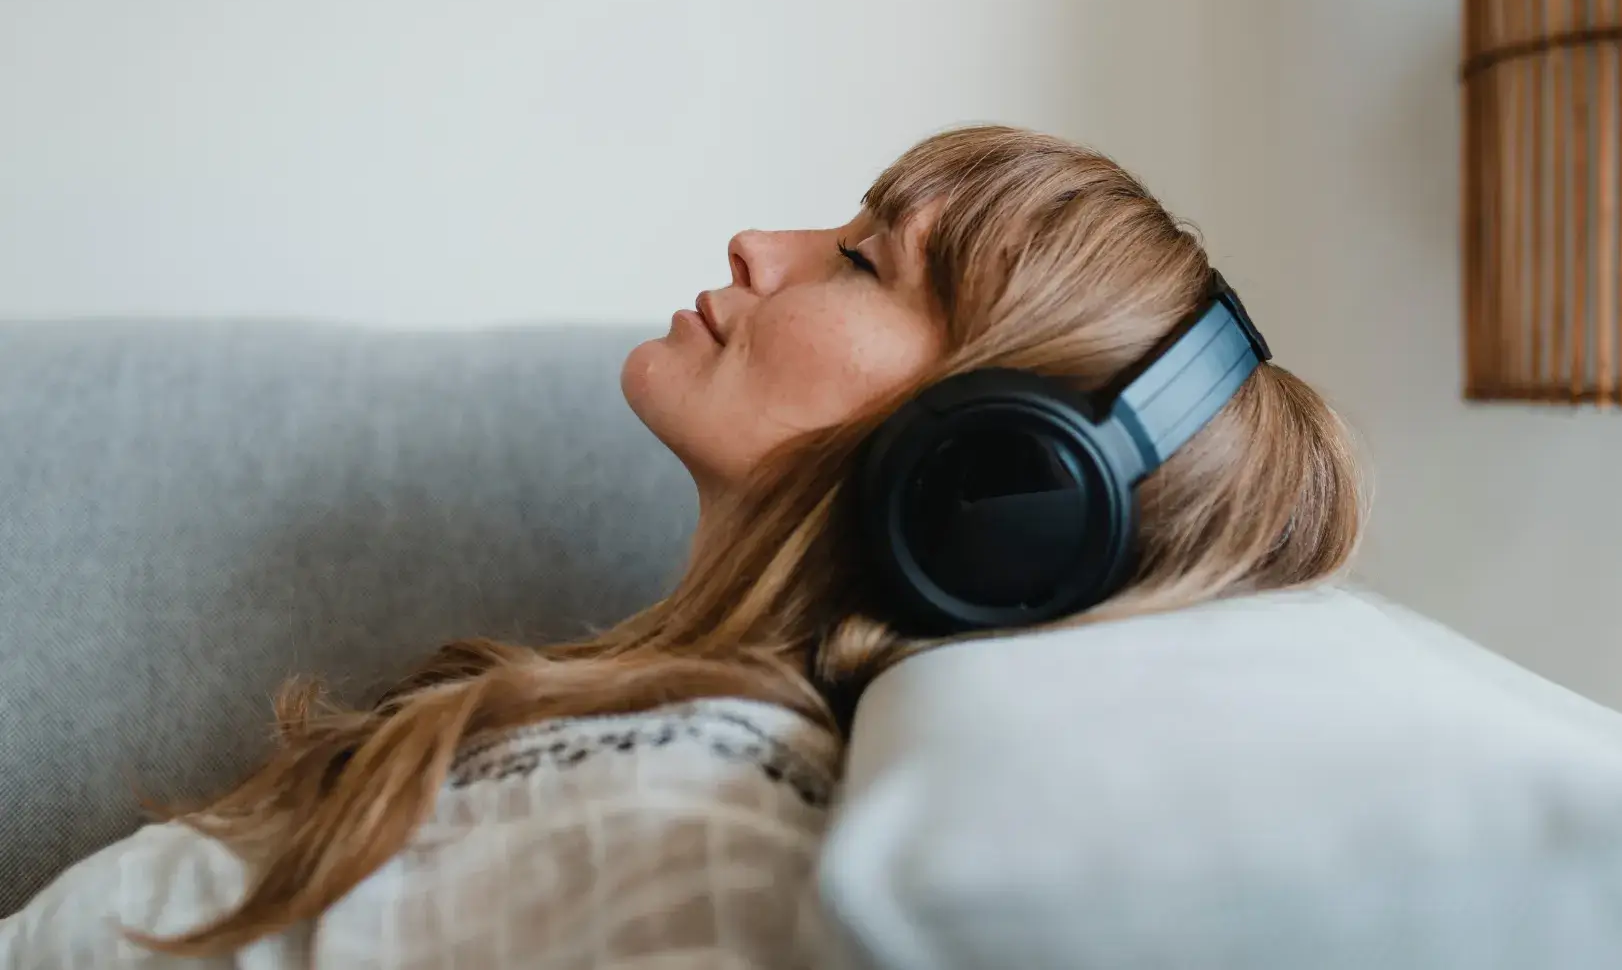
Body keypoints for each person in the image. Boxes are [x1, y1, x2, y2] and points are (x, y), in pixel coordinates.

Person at [0, 125, 1362, 967]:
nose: (760, 242)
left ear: (996, 478)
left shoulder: (695, 831)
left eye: (863, 261)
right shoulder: (646, 742)